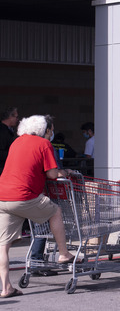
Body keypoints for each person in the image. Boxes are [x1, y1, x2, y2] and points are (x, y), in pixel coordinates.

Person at [0, 115, 79, 298]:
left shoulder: (16, 143)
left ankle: (5, 288)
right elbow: (52, 174)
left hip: (3, 196)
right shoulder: (43, 144)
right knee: (55, 211)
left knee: (3, 246)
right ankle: (64, 253)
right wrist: (64, 172)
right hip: (24, 195)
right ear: (44, 130)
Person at [0, 107, 19, 175]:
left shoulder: (7, 130)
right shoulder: (3, 131)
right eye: (16, 117)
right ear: (10, 117)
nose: (17, 120)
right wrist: (14, 154)